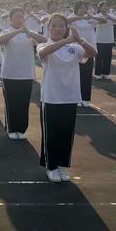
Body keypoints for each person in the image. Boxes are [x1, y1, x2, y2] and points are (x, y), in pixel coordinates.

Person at [38, 15, 97, 182]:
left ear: (66, 28)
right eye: (54, 26)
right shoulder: (44, 45)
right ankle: (51, 166)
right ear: (49, 28)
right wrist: (67, 40)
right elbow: (43, 53)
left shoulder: (74, 47)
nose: (57, 29)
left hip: (70, 97)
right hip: (51, 97)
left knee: (66, 134)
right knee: (51, 134)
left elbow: (93, 53)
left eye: (61, 26)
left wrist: (80, 41)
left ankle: (62, 165)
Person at [0, 7, 47, 140]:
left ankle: (22, 129)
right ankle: (12, 128)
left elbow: (44, 40)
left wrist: (29, 33)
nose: (20, 20)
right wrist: (18, 31)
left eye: (22, 17)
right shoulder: (6, 31)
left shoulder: (29, 33)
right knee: (12, 103)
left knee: (24, 103)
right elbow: (1, 40)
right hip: (10, 73)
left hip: (26, 73)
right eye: (17, 17)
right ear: (11, 19)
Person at [67, 0, 102, 107]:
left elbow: (103, 20)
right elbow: (67, 20)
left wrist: (93, 17)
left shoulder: (90, 17)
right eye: (81, 7)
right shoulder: (73, 16)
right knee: (76, 75)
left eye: (84, 7)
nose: (83, 10)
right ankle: (76, 97)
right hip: (76, 50)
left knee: (87, 75)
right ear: (76, 8)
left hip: (89, 50)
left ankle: (85, 98)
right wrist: (82, 17)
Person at [94, 1, 116, 80]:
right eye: (103, 6)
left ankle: (106, 73)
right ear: (100, 7)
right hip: (99, 39)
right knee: (99, 57)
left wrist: (109, 18)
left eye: (106, 6)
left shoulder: (111, 15)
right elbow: (94, 23)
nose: (105, 7)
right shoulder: (97, 16)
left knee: (107, 57)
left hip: (108, 39)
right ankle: (98, 73)